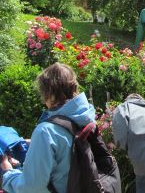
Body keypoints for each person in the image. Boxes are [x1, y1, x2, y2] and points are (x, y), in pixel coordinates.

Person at [1, 63, 96, 193]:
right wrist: (36, 143)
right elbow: (66, 151)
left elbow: (31, 187)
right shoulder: (85, 116)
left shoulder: (46, 131)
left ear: (49, 93)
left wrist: (8, 174)